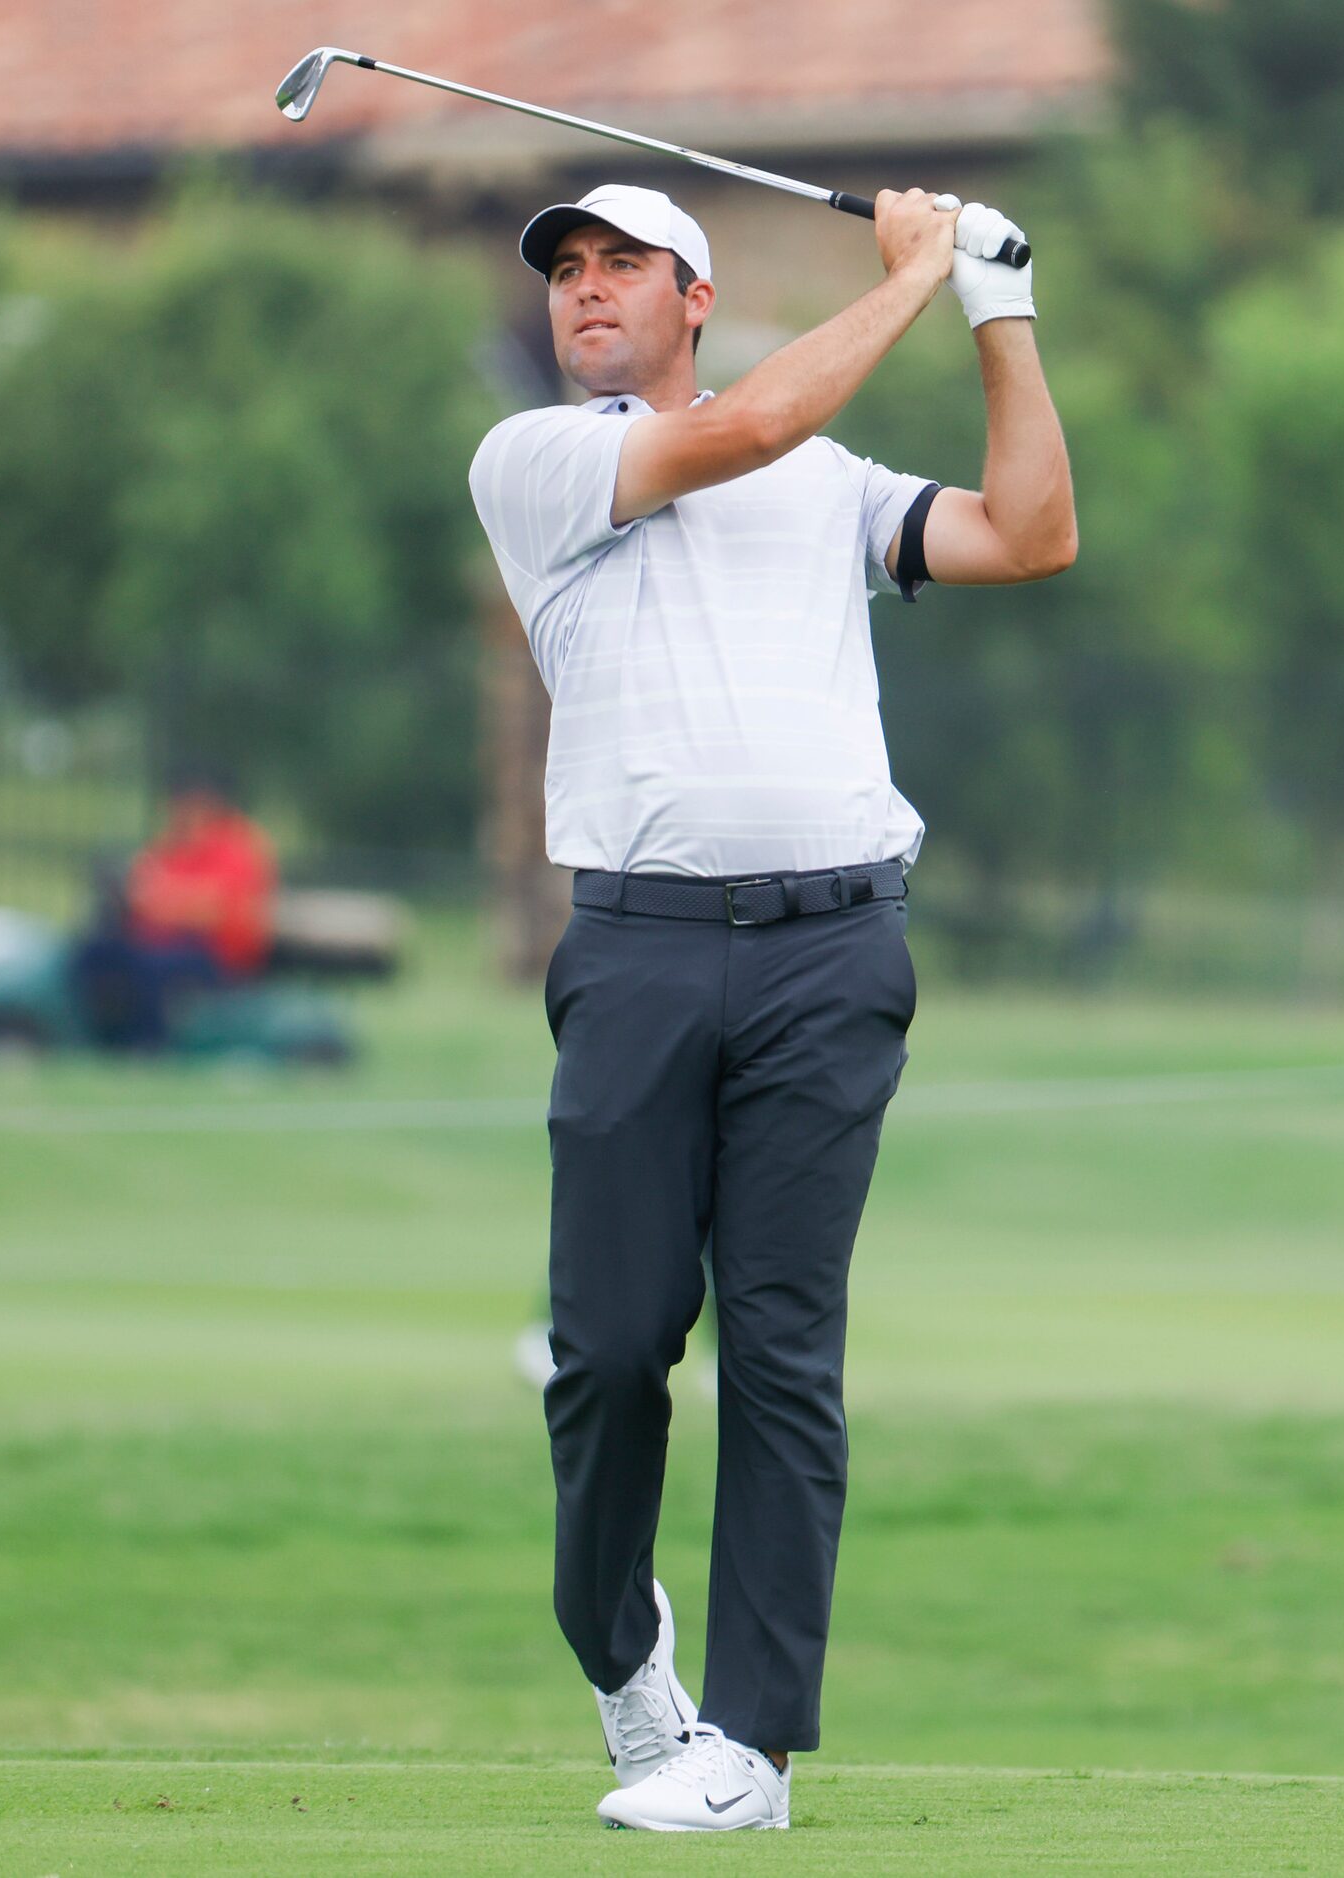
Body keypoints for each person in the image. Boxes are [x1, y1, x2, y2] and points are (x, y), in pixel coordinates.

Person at [468, 182, 1075, 1831]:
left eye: (622, 267)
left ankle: (751, 1746)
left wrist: (995, 311)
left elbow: (1028, 531)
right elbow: (738, 431)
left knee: (785, 1357)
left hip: (832, 954)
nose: (585, 293)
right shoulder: (538, 460)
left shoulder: (830, 485)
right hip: (641, 952)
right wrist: (916, 275)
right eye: (566, 273)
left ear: (696, 291)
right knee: (602, 1351)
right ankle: (617, 1645)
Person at [72, 772, 277, 1050]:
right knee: (95, 953)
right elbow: (142, 885)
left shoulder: (237, 847)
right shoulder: (174, 844)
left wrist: (158, 902)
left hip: (218, 956)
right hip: (162, 940)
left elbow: (212, 912)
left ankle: (148, 1044)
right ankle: (95, 1038)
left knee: (152, 968)